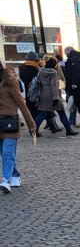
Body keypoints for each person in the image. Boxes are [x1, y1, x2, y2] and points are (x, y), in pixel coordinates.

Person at [0, 65, 37, 193]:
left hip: (10, 123)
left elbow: (21, 103)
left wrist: (31, 124)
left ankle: (6, 180)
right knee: (3, 153)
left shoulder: (9, 81)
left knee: (7, 153)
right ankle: (15, 175)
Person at [32, 56, 77, 136]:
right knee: (61, 113)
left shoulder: (41, 71)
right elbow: (54, 86)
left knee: (42, 113)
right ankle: (68, 130)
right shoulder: (54, 73)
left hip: (43, 95)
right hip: (53, 95)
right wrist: (56, 97)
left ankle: (34, 130)